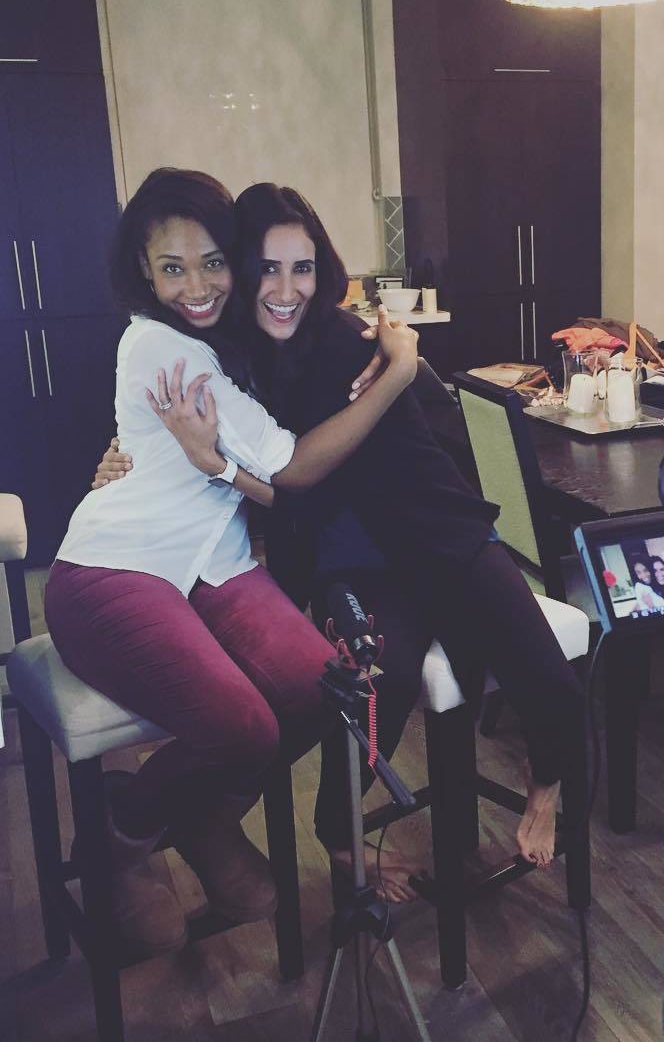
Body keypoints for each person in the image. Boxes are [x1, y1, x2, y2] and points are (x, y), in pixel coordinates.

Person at [93, 182, 585, 890]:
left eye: (303, 268)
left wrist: (399, 367)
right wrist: (130, 455)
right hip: (354, 556)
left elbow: (304, 479)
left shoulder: (351, 347)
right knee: (372, 691)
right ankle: (341, 840)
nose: (285, 290)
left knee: (550, 680)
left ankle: (546, 782)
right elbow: (283, 477)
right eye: (267, 269)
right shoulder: (235, 355)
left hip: (433, 530)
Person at [46, 168, 419, 955]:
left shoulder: (238, 339)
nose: (197, 286)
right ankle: (123, 833)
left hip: (216, 562)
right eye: (172, 267)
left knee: (318, 690)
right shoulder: (165, 347)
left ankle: (204, 822)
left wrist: (376, 330)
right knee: (243, 727)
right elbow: (290, 466)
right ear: (144, 271)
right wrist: (398, 376)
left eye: (213, 262)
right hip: (116, 569)